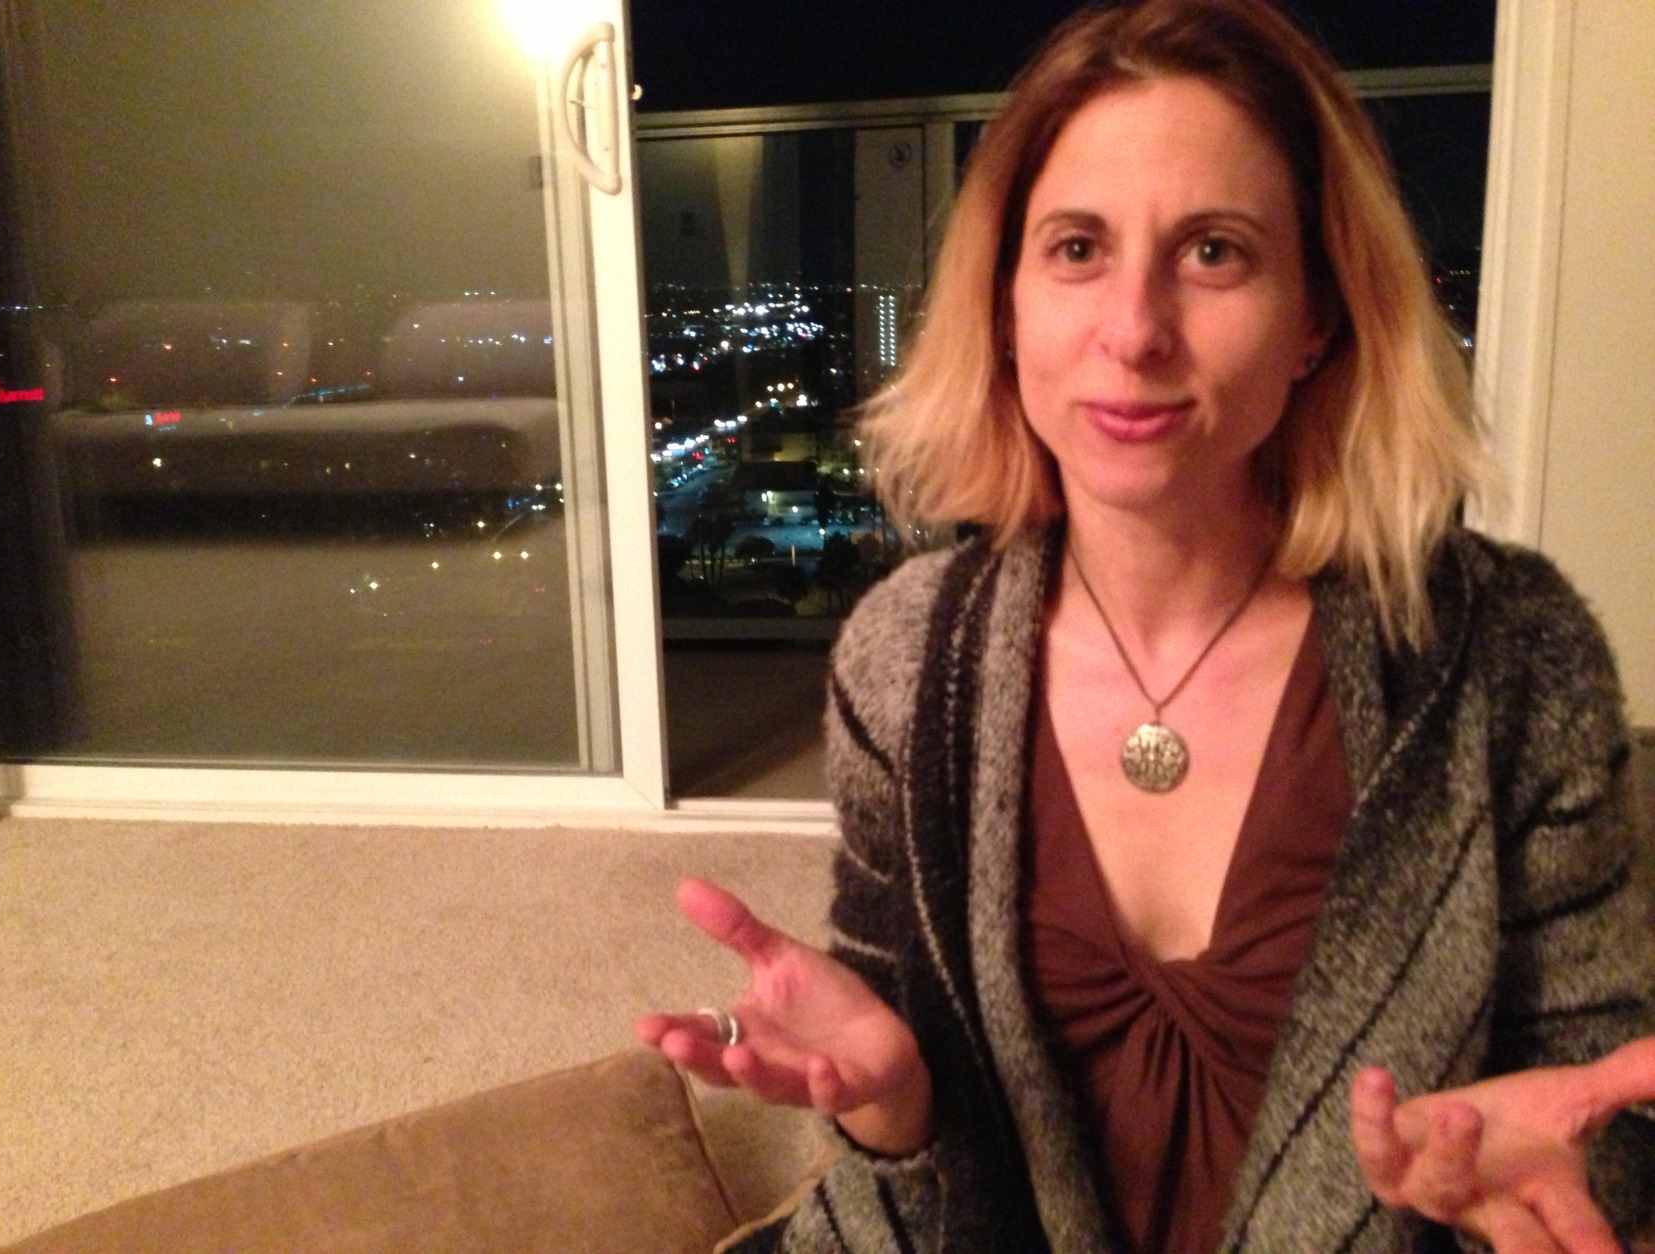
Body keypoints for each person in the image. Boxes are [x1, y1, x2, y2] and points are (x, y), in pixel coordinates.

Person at [637, 0, 1655, 1249]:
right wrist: (889, 1114)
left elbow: (1604, 1115)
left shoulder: (1512, 655)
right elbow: (898, 1149)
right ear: (1006, 305)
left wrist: (1554, 1192)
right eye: (1077, 249)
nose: (1133, 331)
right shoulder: (904, 659)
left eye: (1214, 252)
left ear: (1318, 316)